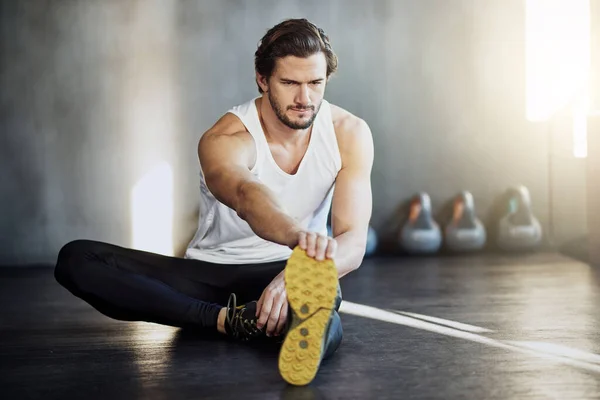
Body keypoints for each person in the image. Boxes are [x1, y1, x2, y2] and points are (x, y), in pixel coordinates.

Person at [54, 18, 374, 386]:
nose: (305, 99)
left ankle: (297, 328)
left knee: (323, 293)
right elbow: (248, 198)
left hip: (291, 268)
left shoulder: (349, 133)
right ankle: (227, 320)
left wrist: (296, 271)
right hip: (210, 274)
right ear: (262, 79)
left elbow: (354, 240)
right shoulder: (226, 137)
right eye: (290, 83)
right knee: (77, 258)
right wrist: (299, 238)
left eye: (315, 83)